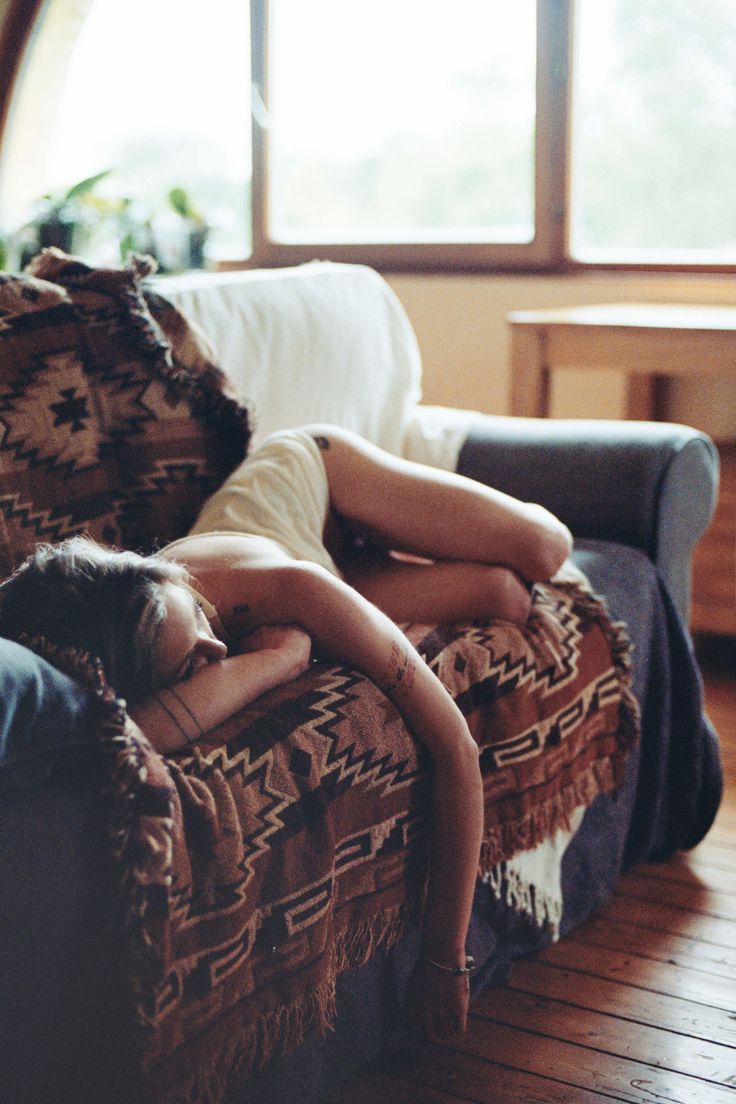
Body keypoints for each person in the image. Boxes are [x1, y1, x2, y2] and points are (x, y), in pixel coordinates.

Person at [0, 424, 572, 1043]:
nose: (218, 646)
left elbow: (455, 746)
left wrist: (444, 961)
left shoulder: (294, 589)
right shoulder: (127, 635)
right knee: (506, 597)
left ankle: (398, 515)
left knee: (544, 551)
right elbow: (131, 733)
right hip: (333, 568)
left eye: (200, 614)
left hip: (317, 474)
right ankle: (370, 551)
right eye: (194, 665)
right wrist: (270, 663)